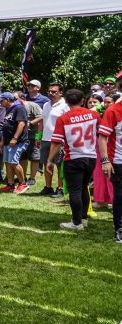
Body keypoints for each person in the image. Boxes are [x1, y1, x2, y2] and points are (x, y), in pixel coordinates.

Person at [47, 89, 100, 230]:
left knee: (75, 191)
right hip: (91, 157)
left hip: (74, 157)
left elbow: (56, 142)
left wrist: (50, 160)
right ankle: (83, 218)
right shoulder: (94, 115)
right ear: (82, 100)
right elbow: (101, 134)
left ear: (66, 101)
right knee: (84, 188)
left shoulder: (63, 118)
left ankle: (76, 223)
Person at [98, 93, 122, 242]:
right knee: (120, 196)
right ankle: (119, 229)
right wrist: (105, 160)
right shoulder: (113, 110)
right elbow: (103, 137)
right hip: (118, 161)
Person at [38, 83, 68, 197]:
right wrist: (38, 136)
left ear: (61, 93)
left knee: (59, 164)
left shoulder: (65, 105)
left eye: (54, 92)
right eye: (49, 91)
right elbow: (42, 120)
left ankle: (60, 188)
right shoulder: (46, 104)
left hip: (59, 140)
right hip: (46, 138)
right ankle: (48, 187)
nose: (51, 93)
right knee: (46, 163)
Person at [0, 92, 31, 193]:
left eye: (1, 100)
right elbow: (7, 126)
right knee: (8, 163)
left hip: (17, 141)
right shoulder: (8, 110)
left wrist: (15, 138)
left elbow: (21, 123)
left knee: (13, 162)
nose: (0, 102)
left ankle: (23, 184)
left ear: (8, 100)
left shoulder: (19, 108)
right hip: (7, 141)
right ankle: (10, 184)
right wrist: (2, 141)